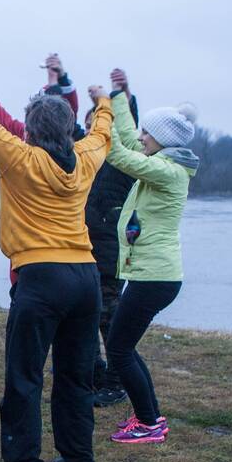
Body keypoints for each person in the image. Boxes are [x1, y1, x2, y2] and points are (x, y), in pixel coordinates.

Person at [0, 45, 113, 462]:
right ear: (69, 128)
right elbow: (103, 136)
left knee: (24, 377)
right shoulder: (86, 158)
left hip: (42, 278)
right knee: (75, 375)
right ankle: (78, 458)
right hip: (85, 278)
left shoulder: (19, 158)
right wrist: (105, 102)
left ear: (31, 130)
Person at [103, 89, 199, 445]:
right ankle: (150, 417)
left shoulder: (169, 172)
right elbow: (129, 140)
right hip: (149, 275)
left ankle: (149, 423)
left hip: (155, 278)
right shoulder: (163, 161)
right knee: (123, 346)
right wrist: (116, 98)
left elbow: (118, 153)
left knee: (118, 349)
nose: (141, 137)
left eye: (148, 133)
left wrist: (102, 114)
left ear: (164, 139)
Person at [84, 69, 140, 408]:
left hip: (110, 250)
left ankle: (117, 382)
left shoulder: (122, 160)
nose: (94, 126)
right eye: (90, 122)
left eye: (99, 121)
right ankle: (95, 374)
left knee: (109, 319)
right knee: (86, 316)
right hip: (83, 250)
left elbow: (129, 127)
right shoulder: (86, 155)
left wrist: (123, 94)